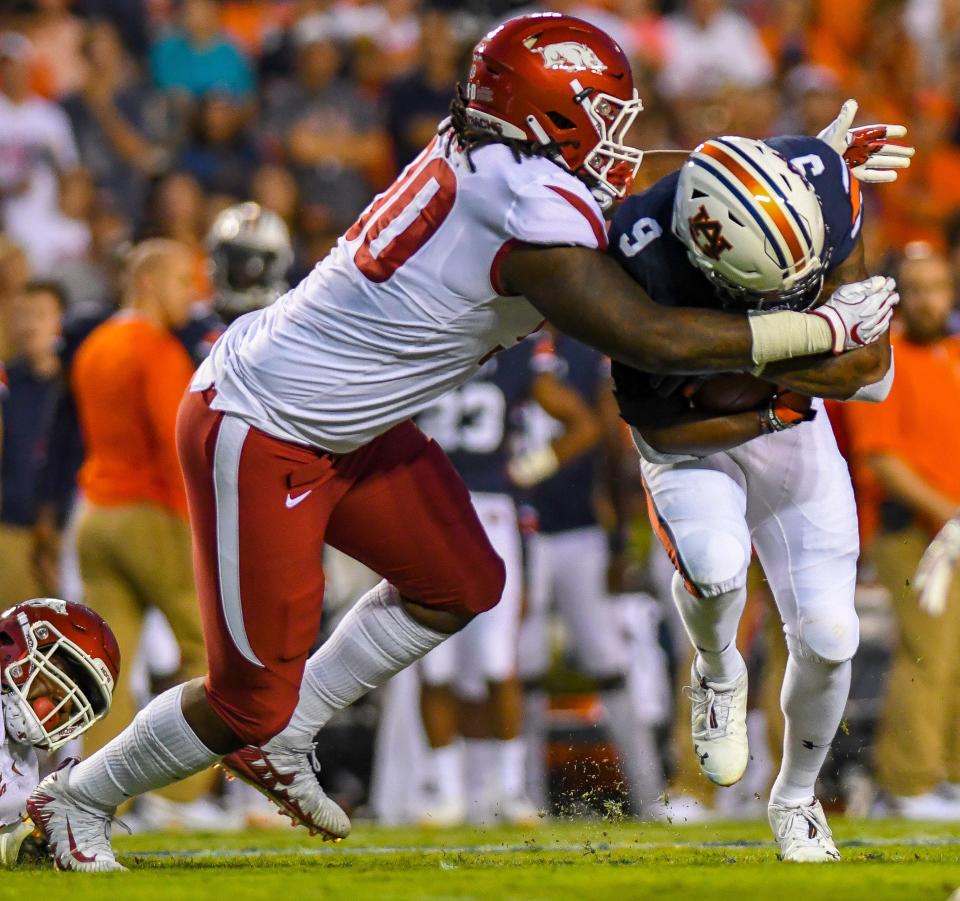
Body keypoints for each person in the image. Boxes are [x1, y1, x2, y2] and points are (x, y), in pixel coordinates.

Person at [28, 13, 902, 872]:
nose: (615, 137)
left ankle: (294, 728)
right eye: (599, 116)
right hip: (265, 424)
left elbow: (668, 199)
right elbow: (649, 338)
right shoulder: (525, 202)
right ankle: (75, 799)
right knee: (246, 698)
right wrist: (812, 328)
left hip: (348, 420)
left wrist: (802, 178)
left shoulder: (499, 158)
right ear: (548, 115)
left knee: (460, 582)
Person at [607, 133, 896, 860]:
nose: (795, 291)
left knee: (833, 636)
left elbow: (867, 364)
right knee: (713, 562)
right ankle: (716, 667)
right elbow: (662, 432)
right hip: (693, 434)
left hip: (786, 433)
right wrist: (783, 374)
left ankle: (797, 797)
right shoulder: (637, 268)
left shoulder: (823, 180)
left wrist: (760, 356)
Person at [67, 239, 216, 818]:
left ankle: (98, 799)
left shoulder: (94, 345)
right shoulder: (156, 351)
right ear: (149, 283)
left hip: (94, 516)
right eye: (184, 279)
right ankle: (183, 792)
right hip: (152, 514)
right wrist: (204, 526)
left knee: (110, 666)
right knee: (210, 648)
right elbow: (179, 447)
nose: (194, 292)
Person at [848, 245, 960, 819]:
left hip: (952, 529)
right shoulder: (880, 359)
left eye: (937, 286)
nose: (927, 299)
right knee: (927, 652)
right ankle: (910, 783)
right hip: (913, 533)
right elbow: (881, 459)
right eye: (914, 288)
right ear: (895, 295)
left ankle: (949, 774)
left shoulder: (953, 353)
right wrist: (951, 514)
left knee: (955, 657)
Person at [0, 598, 119, 868]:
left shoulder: (23, 765)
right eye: (59, 679)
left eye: (73, 704)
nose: (62, 710)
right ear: (15, 650)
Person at [0, 282, 64, 608]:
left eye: (39, 315)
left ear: (60, 322)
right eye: (22, 315)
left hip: (66, 537)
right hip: (12, 531)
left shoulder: (78, 383)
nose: (29, 325)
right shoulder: (4, 382)